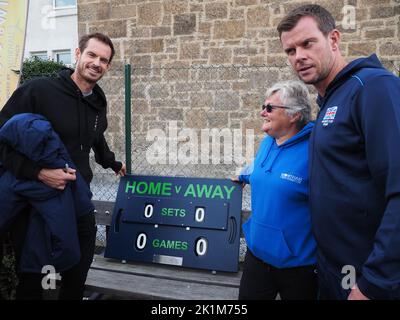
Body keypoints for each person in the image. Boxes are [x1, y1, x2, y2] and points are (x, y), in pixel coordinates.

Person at [278, 4, 400, 300]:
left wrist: (374, 284)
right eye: (291, 51)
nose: (299, 57)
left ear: (333, 39)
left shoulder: (373, 88)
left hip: (367, 282)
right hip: (333, 275)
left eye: (308, 43)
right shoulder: (329, 102)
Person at [0, 32, 126, 300]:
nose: (96, 63)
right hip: (36, 204)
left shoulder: (97, 102)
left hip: (77, 201)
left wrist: (111, 162)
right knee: (36, 282)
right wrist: (38, 173)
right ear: (78, 54)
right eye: (91, 55)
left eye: (104, 60)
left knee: (77, 273)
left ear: (108, 66)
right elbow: (2, 140)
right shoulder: (38, 91)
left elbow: (95, 136)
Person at [236, 80, 317, 300]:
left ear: (294, 115)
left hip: (299, 266)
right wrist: (242, 175)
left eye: (270, 108)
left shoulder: (317, 148)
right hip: (257, 258)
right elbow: (260, 169)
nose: (263, 112)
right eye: (263, 106)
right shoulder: (268, 141)